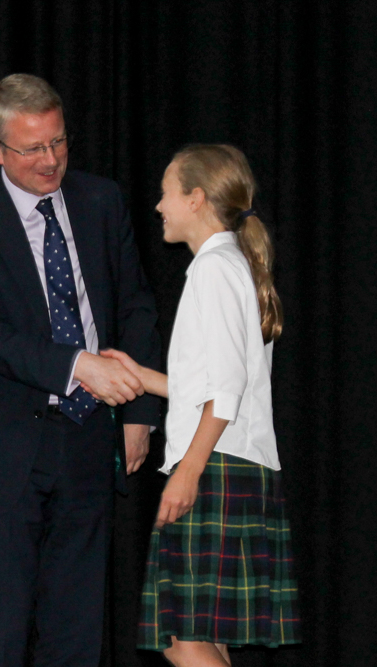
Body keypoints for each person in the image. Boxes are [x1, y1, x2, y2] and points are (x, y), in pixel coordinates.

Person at [0, 73, 162, 666]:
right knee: (1, 636)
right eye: (32, 148)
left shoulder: (102, 200)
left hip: (89, 440)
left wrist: (139, 413)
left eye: (58, 142)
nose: (51, 160)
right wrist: (78, 365)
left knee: (77, 634)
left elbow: (135, 307)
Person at [101, 145, 301, 666]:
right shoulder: (231, 264)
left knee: (182, 637)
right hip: (237, 465)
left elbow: (227, 389)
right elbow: (218, 381)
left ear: (195, 198)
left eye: (166, 194)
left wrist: (188, 470)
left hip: (216, 467)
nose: (159, 206)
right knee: (198, 634)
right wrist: (145, 378)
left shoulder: (214, 269)